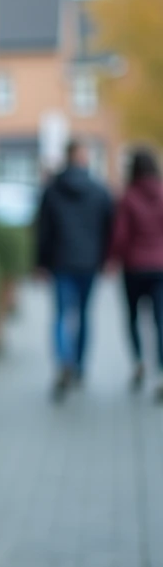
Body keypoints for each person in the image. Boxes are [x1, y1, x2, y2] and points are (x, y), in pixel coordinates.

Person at [35, 140, 114, 395]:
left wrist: (40, 262)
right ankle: (79, 367)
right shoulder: (100, 189)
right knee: (84, 316)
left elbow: (42, 229)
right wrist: (106, 259)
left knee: (60, 315)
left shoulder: (52, 189)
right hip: (89, 262)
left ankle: (63, 361)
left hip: (60, 261)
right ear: (84, 158)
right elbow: (109, 229)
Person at [109, 149, 163, 399]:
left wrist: (113, 258)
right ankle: (160, 372)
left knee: (133, 318)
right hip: (160, 268)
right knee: (159, 321)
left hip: (133, 268)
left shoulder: (127, 197)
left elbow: (120, 236)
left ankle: (139, 362)